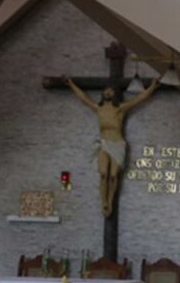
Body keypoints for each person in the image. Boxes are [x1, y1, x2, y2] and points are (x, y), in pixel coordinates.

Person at [65, 77, 159, 217]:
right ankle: (104, 203)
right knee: (103, 174)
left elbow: (139, 99)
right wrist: (71, 84)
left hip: (118, 144)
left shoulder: (120, 108)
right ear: (103, 94)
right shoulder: (99, 108)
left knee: (113, 176)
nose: (108, 92)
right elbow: (83, 98)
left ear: (115, 94)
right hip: (103, 144)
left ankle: (110, 201)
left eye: (111, 91)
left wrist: (152, 87)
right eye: (106, 90)